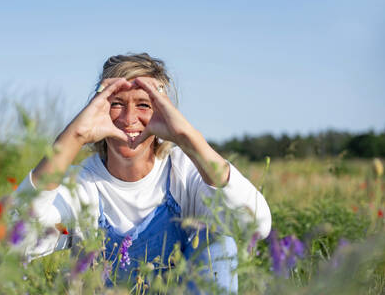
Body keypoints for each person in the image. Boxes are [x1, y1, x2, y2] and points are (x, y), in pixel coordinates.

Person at [15, 53, 271, 293]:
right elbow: (14, 241)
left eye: (144, 105)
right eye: (116, 103)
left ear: (164, 112)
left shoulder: (183, 173)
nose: (129, 119)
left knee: (220, 244)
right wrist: (73, 137)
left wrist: (188, 138)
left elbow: (256, 225)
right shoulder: (82, 183)